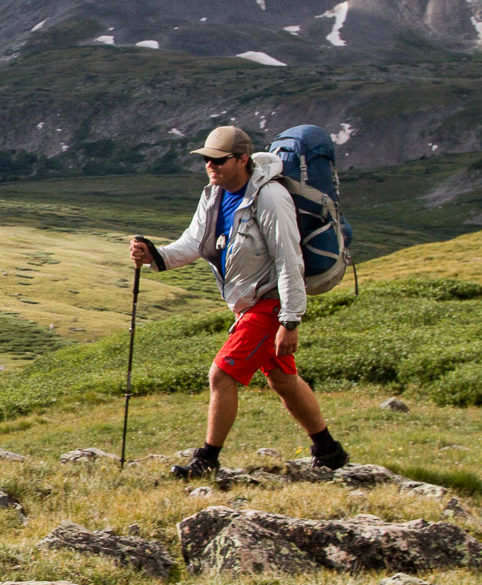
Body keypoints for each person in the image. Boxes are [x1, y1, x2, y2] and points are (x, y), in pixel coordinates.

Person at [129, 124, 350, 480]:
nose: (210, 166)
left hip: (270, 303)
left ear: (243, 160)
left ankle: (207, 460)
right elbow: (193, 243)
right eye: (206, 160)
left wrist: (290, 320)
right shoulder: (213, 194)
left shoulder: (270, 197)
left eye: (218, 160)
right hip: (249, 304)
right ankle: (329, 450)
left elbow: (288, 259)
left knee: (221, 374)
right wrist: (155, 255)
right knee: (282, 380)